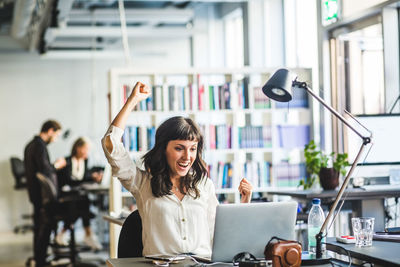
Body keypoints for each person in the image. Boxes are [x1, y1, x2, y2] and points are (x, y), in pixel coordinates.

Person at [102, 81, 253, 257]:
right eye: (179, 148)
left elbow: (218, 235)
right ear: (163, 148)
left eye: (192, 149)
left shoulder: (204, 185)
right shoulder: (143, 183)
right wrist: (133, 100)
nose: (187, 157)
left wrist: (244, 204)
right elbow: (111, 144)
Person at [24, 120, 67, 267]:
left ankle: (39, 259)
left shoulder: (31, 145)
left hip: (35, 194)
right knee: (43, 228)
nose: (56, 139)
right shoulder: (39, 146)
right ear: (50, 131)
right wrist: (57, 165)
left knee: (39, 228)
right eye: (56, 135)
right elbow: (45, 170)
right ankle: (40, 260)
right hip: (41, 195)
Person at [55, 137, 103, 251]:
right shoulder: (66, 161)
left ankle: (64, 233)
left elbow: (83, 177)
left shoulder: (85, 161)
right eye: (85, 149)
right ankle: (88, 234)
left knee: (82, 201)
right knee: (82, 204)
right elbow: (69, 180)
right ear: (78, 148)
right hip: (64, 197)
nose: (87, 152)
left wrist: (93, 177)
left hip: (77, 197)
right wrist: (89, 177)